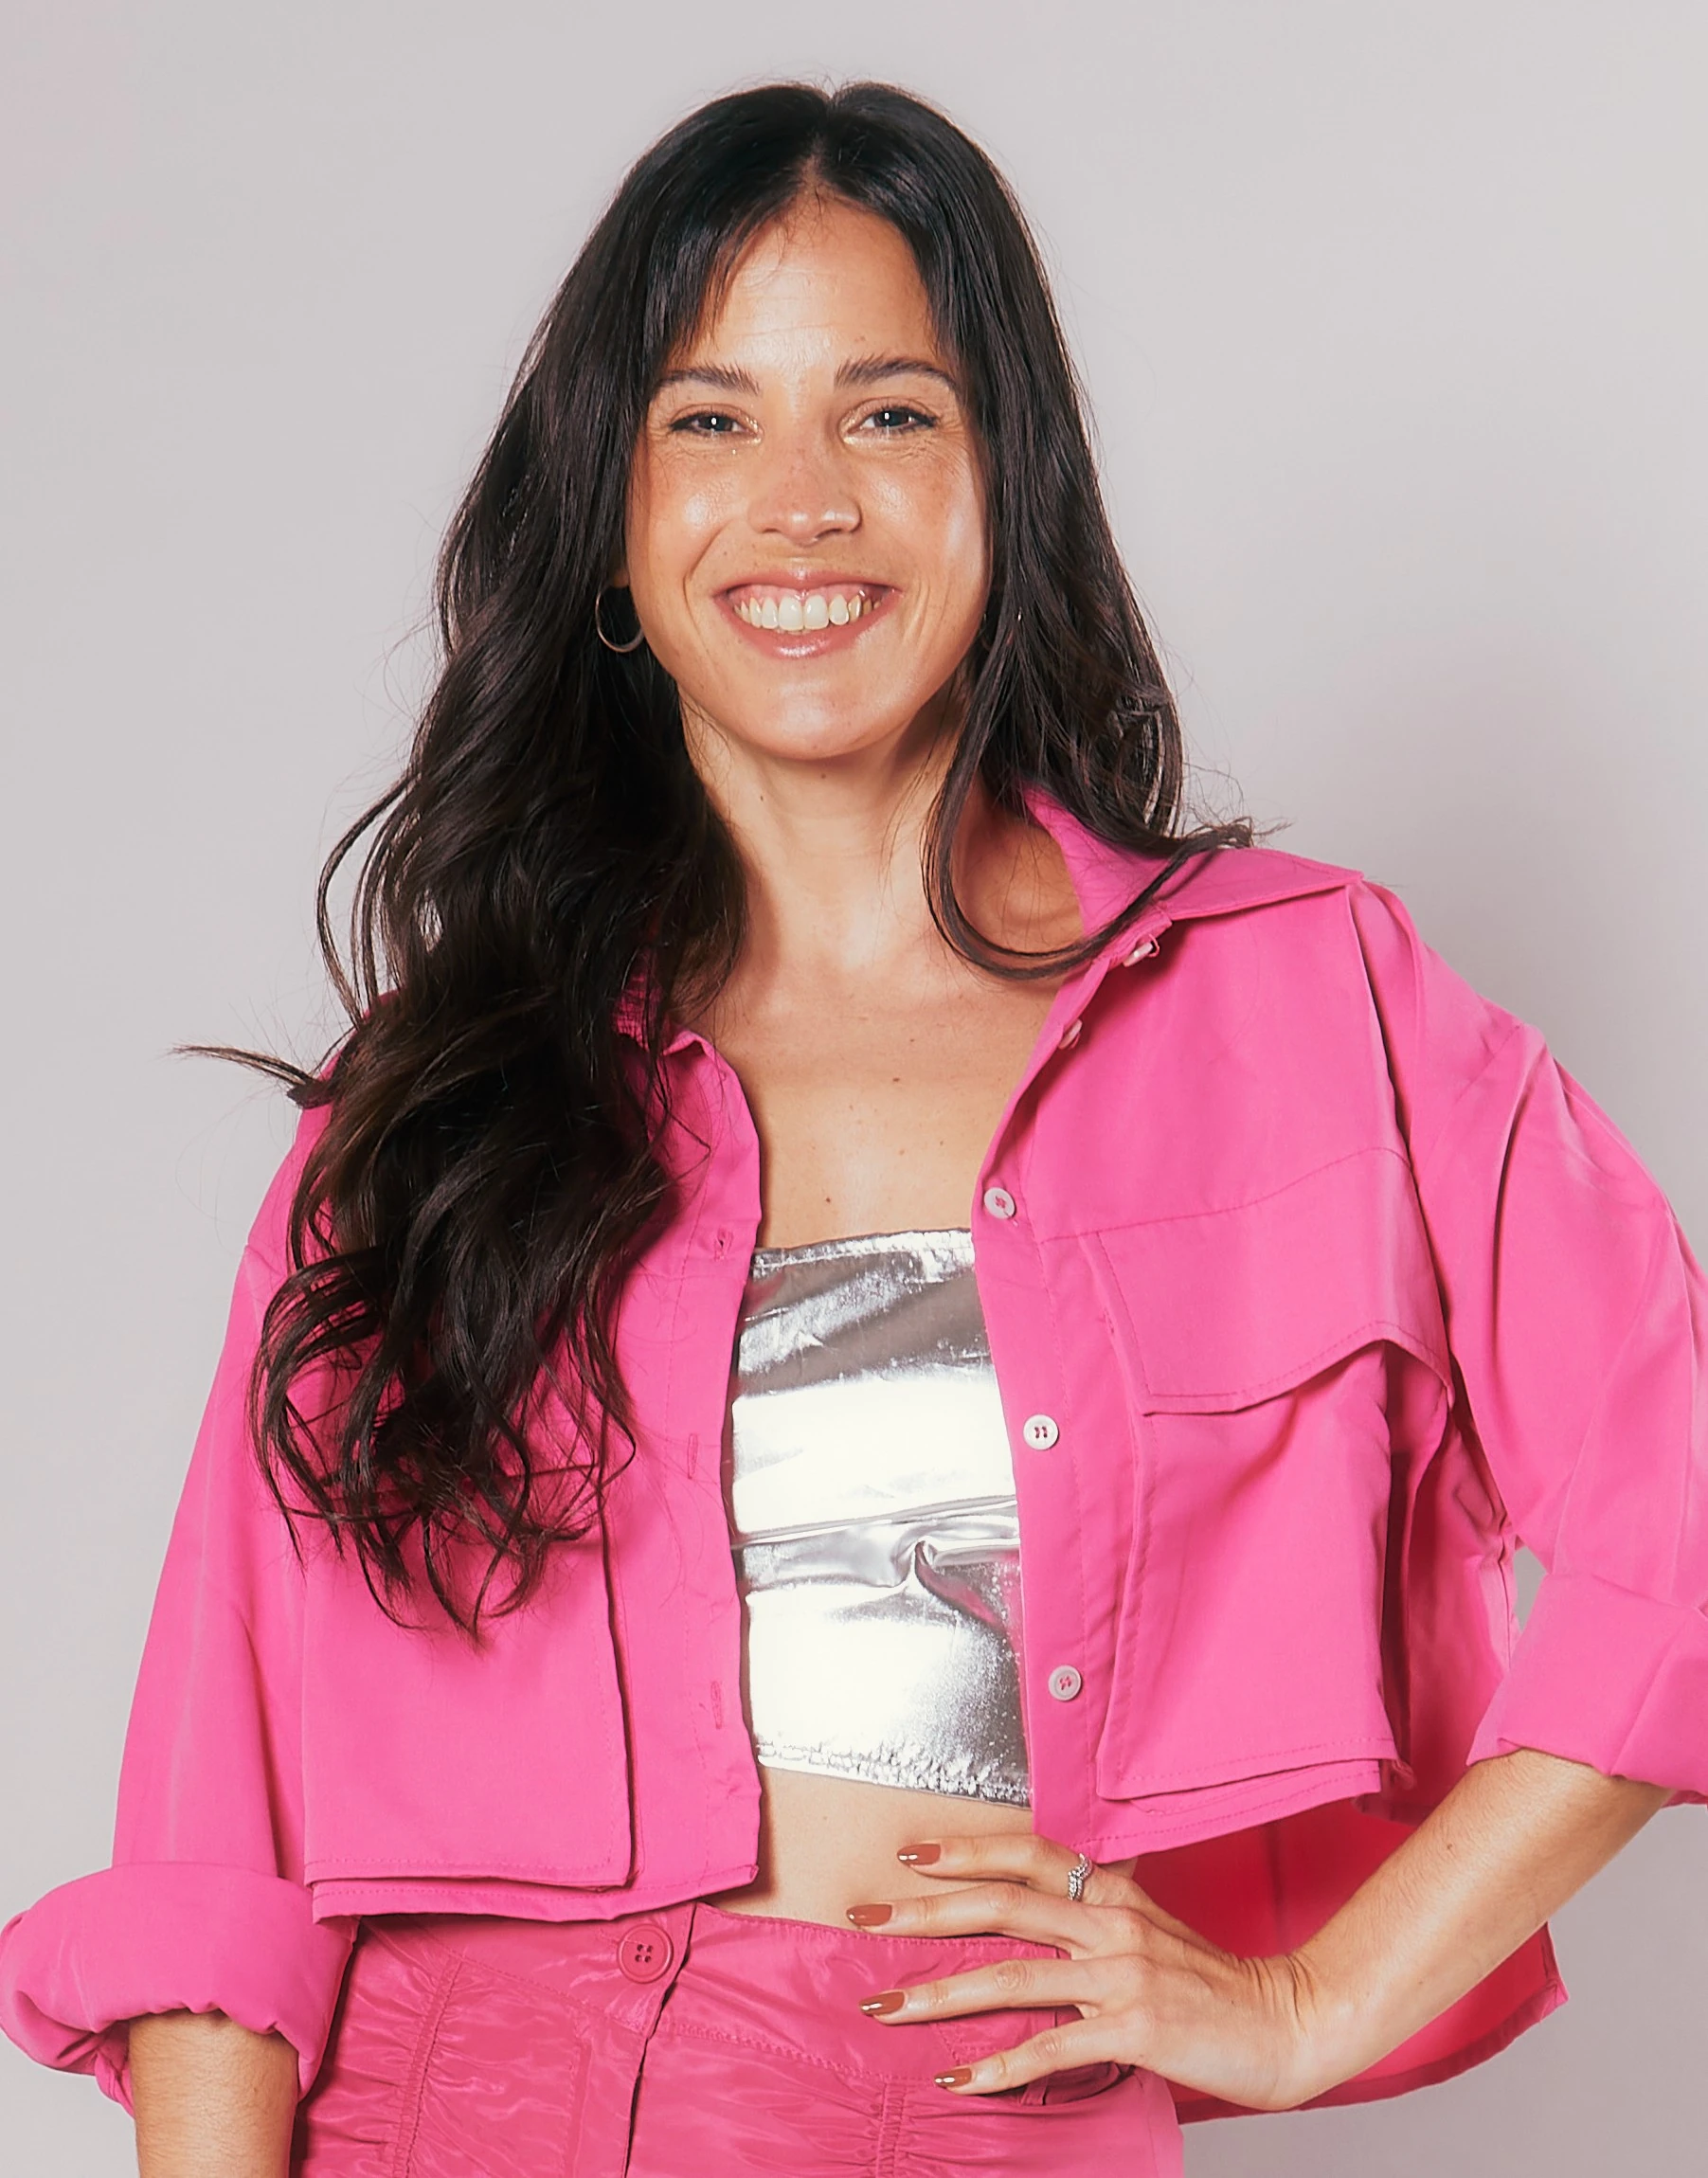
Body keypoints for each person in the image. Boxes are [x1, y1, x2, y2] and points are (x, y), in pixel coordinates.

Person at [1, 78, 1702, 2178]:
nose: (797, 501)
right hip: (435, 2108)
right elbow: (221, 1810)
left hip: (960, 2113)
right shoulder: (437, 1104)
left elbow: (1677, 1525)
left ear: (1005, 479)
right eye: (709, 421)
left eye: (886, 412)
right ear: (615, 523)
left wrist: (1308, 2002)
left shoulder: (1298, 997)